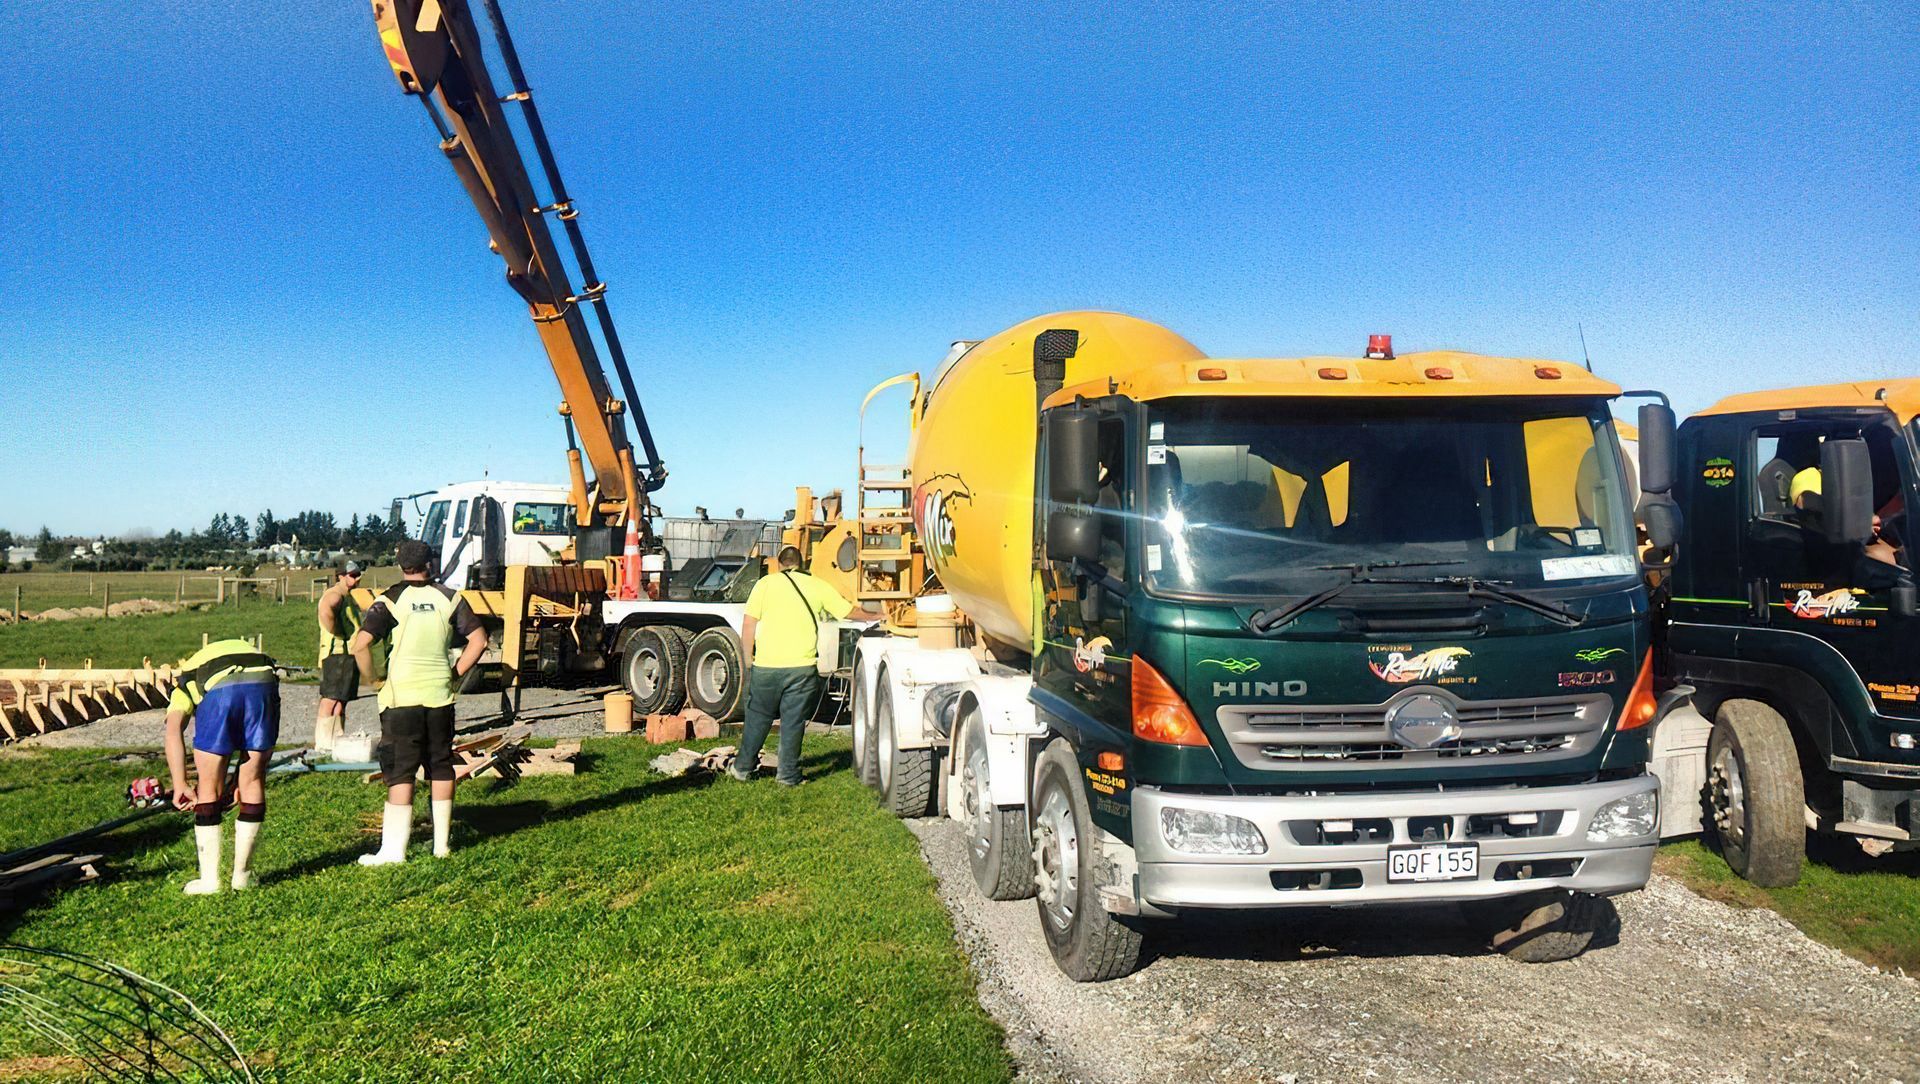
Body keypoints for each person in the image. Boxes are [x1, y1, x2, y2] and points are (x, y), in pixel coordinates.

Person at [348, 540, 489, 866]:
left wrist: (373, 680)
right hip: (439, 696)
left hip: (401, 699)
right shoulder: (450, 597)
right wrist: (453, 673)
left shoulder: (390, 599)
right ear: (431, 563)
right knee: (441, 764)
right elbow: (479, 640)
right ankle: (442, 846)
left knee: (401, 772)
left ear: (400, 565)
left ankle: (393, 852)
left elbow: (360, 645)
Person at [731, 546, 875, 786]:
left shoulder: (765, 585)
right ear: (801, 563)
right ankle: (787, 776)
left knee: (758, 718)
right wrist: (881, 614)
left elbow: (749, 624)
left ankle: (742, 768)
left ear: (779, 563)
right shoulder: (816, 585)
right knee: (792, 722)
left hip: (766, 667)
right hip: (801, 668)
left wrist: (748, 660)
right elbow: (849, 611)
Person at [162, 638, 280, 895]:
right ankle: (243, 876)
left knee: (208, 788)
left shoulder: (184, 681)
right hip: (264, 679)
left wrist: (181, 784)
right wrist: (239, 778)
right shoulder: (226, 650)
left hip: (219, 688)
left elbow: (173, 730)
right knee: (253, 781)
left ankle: (210, 881)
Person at [314, 561, 366, 754]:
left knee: (341, 701)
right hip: (336, 654)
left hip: (348, 654)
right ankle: (323, 744)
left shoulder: (347, 596)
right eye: (353, 575)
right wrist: (336, 631)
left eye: (358, 574)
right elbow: (326, 609)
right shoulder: (335, 594)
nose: (357, 578)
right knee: (330, 699)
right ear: (341, 576)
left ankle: (337, 739)